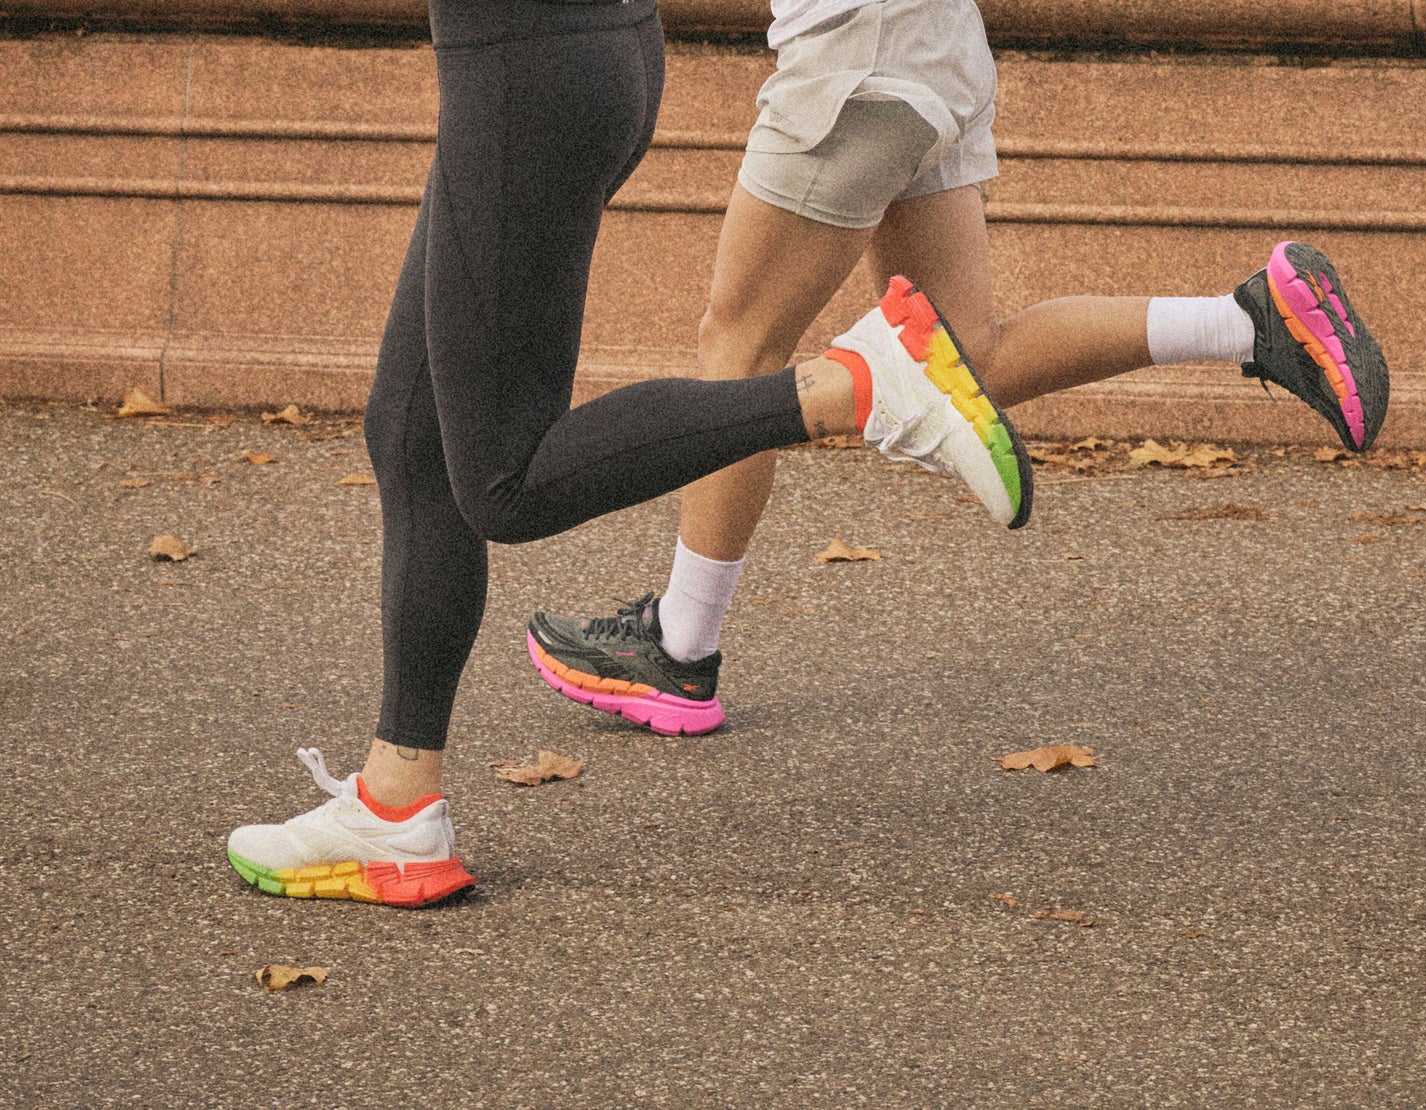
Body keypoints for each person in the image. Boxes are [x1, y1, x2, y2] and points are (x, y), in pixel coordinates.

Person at [220, 0, 1063, 905]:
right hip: (569, 52)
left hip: (527, 64)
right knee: (409, 430)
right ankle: (395, 809)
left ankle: (857, 387)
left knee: (504, 486)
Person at [518, 0, 1386, 736]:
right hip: (933, 50)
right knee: (971, 359)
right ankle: (1253, 323)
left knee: (740, 348)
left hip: (857, 59)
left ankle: (680, 648)